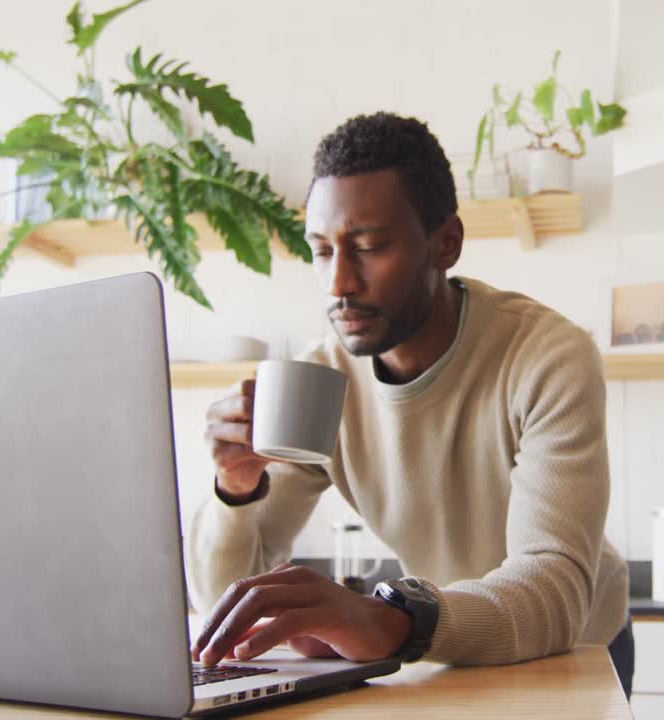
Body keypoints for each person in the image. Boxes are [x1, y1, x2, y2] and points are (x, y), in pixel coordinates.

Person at [186, 112, 633, 697]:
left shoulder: (547, 357)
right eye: (321, 250)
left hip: (574, 647)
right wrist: (236, 492)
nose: (338, 282)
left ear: (446, 243)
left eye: (368, 247)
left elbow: (553, 589)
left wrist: (391, 619)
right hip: (441, 642)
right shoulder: (324, 382)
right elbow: (228, 604)